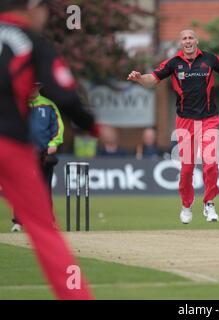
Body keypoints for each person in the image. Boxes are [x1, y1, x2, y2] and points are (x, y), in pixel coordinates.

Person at [0, 0, 105, 299]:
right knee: (44, 231)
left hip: (19, 144)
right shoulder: (33, 41)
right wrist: (94, 127)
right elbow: (67, 97)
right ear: (33, 8)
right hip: (9, 142)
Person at [128, 29, 219, 224]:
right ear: (180, 43)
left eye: (191, 38)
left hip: (209, 119)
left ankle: (209, 203)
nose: (188, 41)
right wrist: (139, 78)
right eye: (184, 38)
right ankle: (186, 205)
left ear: (196, 41)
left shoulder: (209, 59)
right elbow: (152, 78)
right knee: (187, 169)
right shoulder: (173, 63)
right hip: (185, 122)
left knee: (210, 162)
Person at [11, 83, 64, 232]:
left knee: (44, 189)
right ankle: (19, 222)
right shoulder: (18, 105)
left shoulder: (48, 105)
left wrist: (54, 143)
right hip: (23, 154)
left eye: (34, 87)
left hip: (43, 153)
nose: (31, 89)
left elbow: (58, 126)